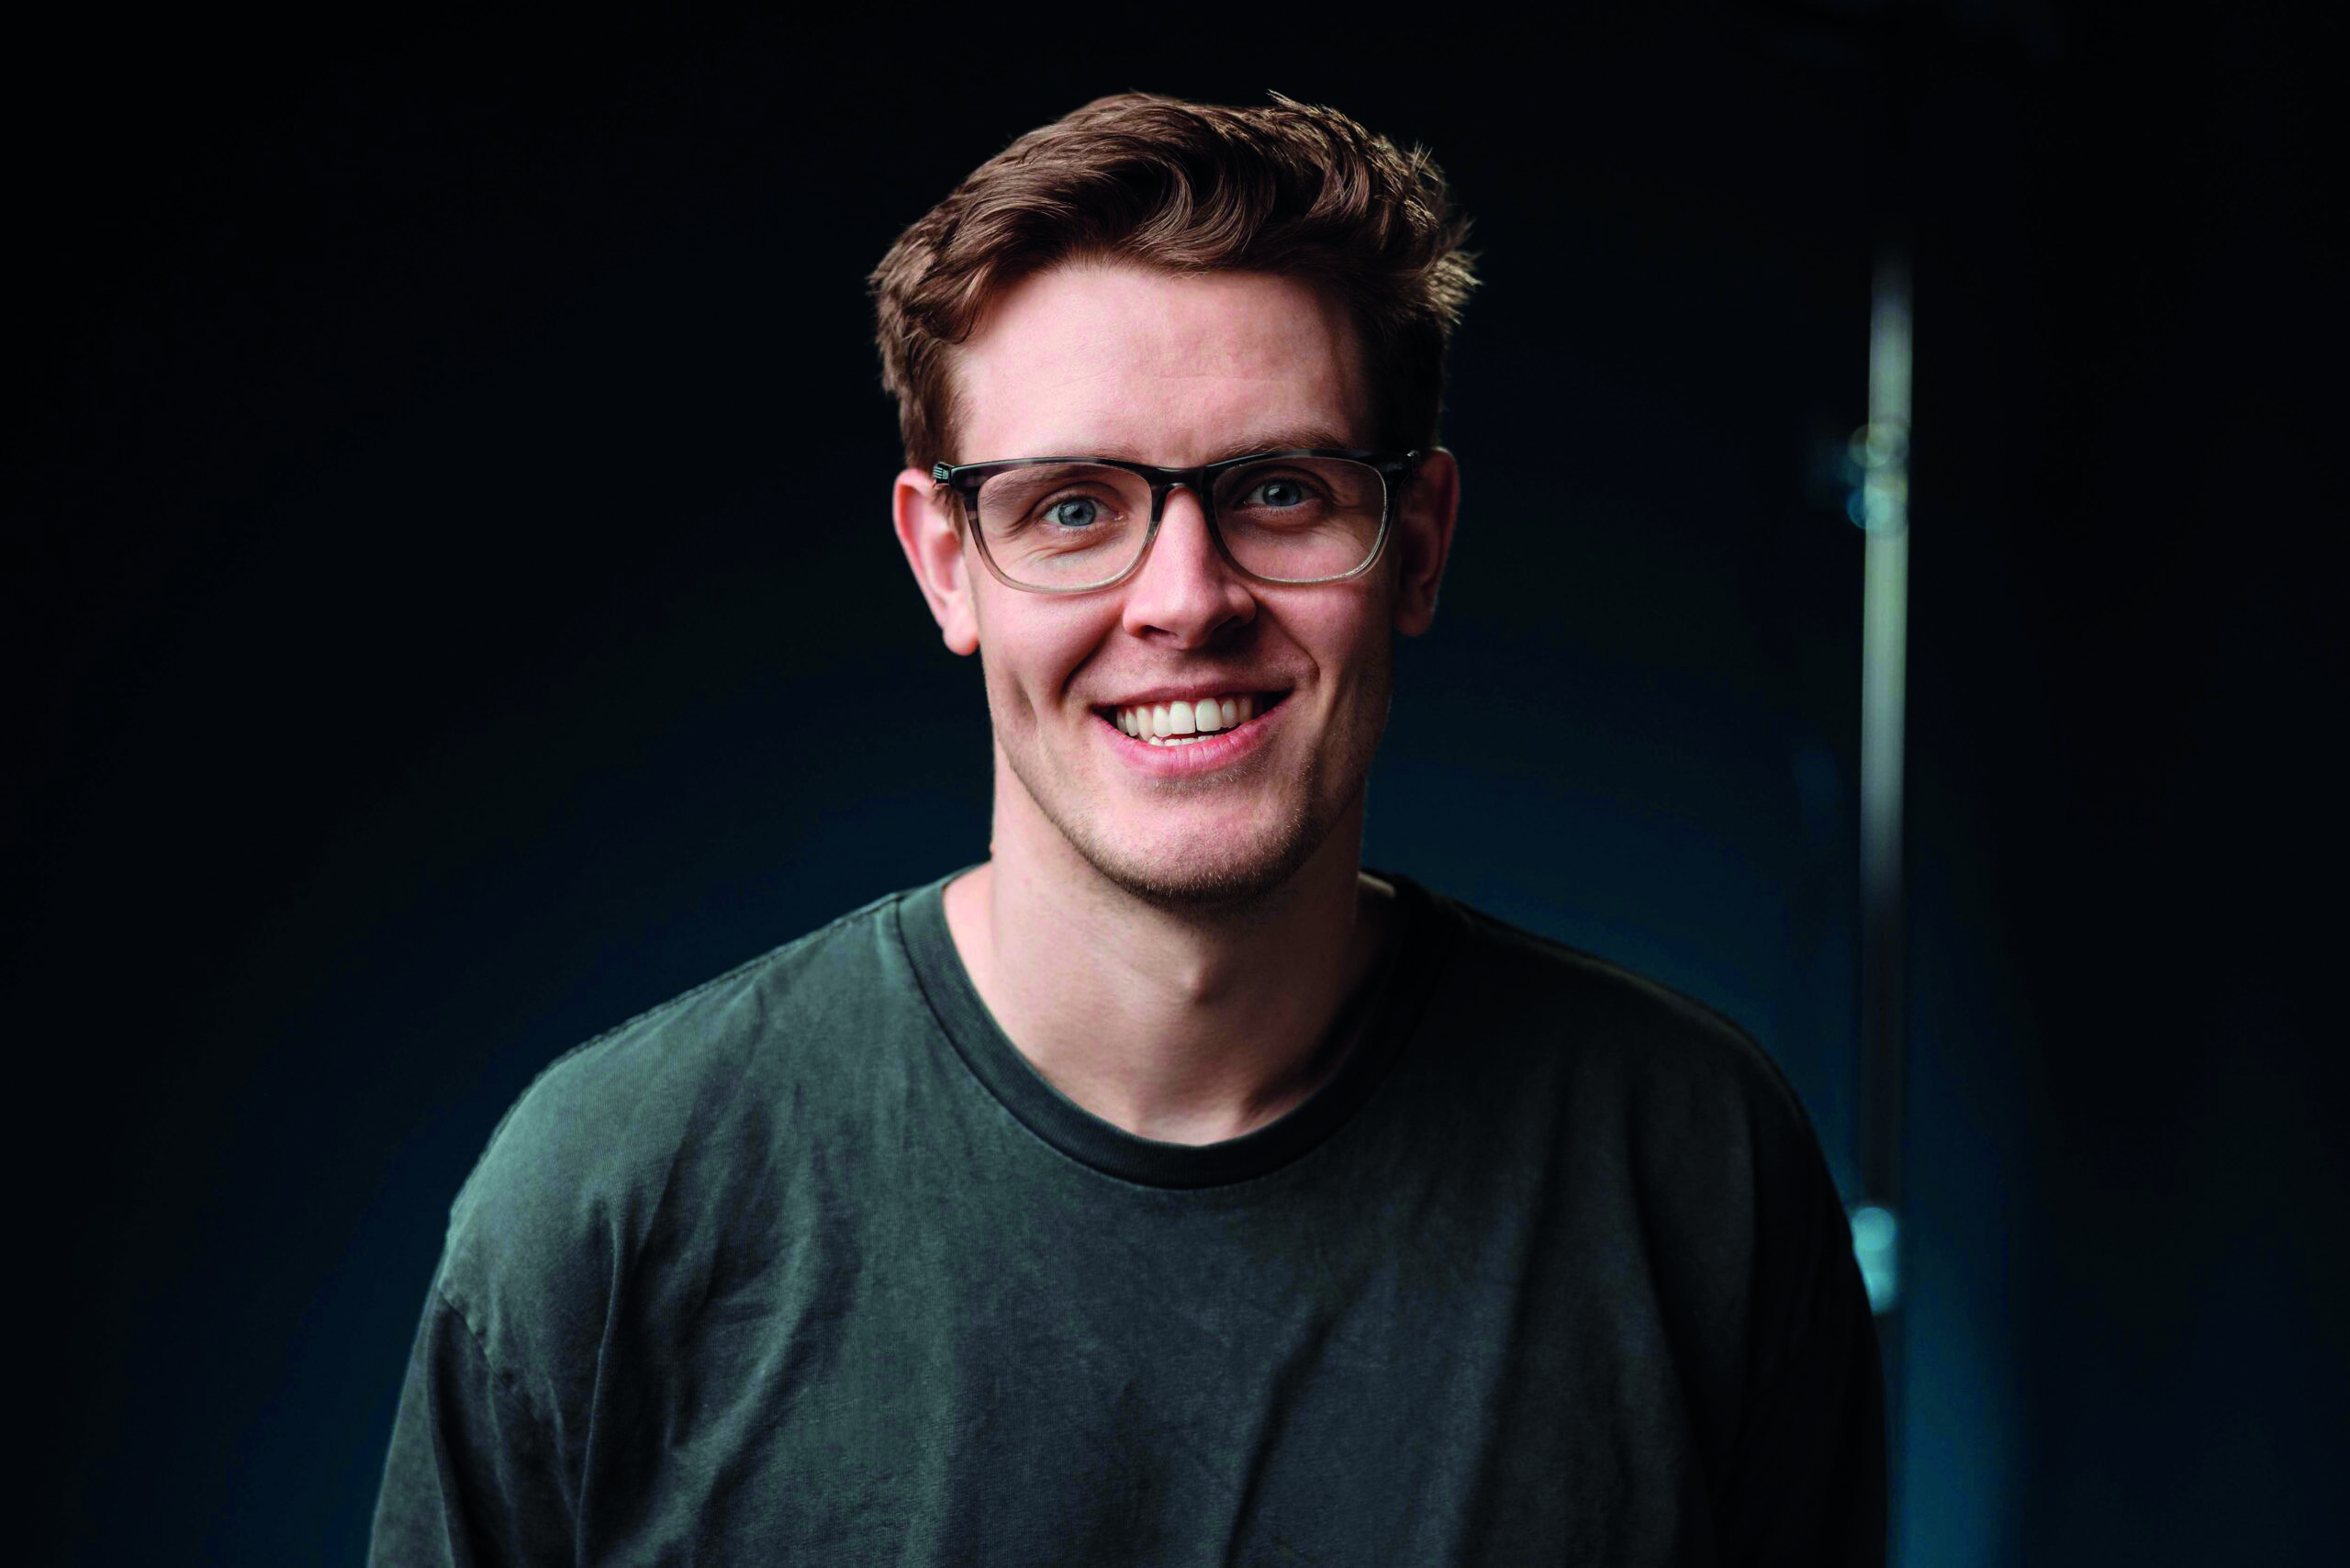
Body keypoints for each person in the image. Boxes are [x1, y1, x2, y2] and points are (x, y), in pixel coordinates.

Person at [370, 90, 1885, 1564]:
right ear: (945, 564)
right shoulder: (614, 1203)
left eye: (1280, 490)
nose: (1185, 599)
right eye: (1074, 508)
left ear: (1414, 544)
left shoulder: (1693, 1169)